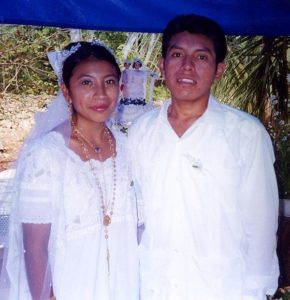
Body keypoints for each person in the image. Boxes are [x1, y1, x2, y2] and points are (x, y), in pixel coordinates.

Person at [128, 14, 279, 300]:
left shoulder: (245, 134)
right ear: (161, 65)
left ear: (219, 70)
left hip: (223, 289)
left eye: (201, 57)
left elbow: (261, 225)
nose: (187, 66)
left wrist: (257, 292)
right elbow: (136, 216)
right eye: (177, 54)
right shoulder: (140, 132)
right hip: (154, 287)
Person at [1, 41, 139, 300]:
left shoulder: (125, 144)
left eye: (109, 82)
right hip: (72, 283)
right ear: (66, 91)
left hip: (123, 281)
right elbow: (35, 245)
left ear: (120, 87)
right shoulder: (45, 155)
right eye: (86, 83)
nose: (100, 94)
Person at [116, 58, 157, 128]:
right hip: (131, 90)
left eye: (138, 64)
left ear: (140, 65)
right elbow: (124, 79)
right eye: (136, 64)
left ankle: (138, 120)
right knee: (129, 102)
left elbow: (148, 74)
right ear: (134, 65)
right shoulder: (128, 72)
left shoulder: (143, 72)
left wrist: (152, 75)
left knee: (139, 103)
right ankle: (125, 121)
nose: (137, 66)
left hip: (139, 90)